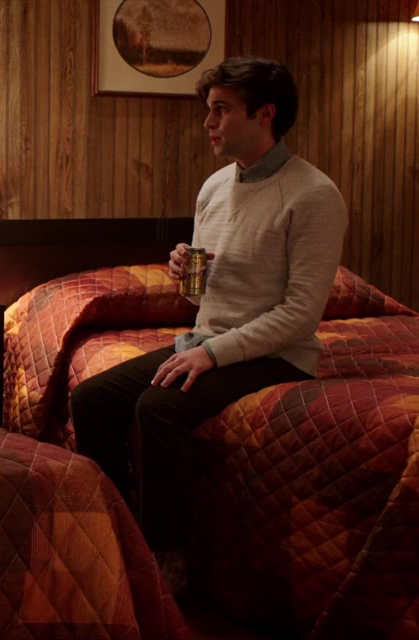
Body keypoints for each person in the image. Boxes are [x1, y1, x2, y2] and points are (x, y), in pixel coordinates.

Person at [69, 57, 348, 590]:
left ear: (265, 114)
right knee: (92, 398)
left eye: (221, 109)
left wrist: (211, 354)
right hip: (210, 338)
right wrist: (185, 274)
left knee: (159, 407)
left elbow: (301, 315)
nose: (208, 122)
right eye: (209, 109)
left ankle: (166, 559)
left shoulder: (313, 195)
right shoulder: (216, 186)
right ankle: (117, 532)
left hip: (277, 354)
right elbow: (202, 297)